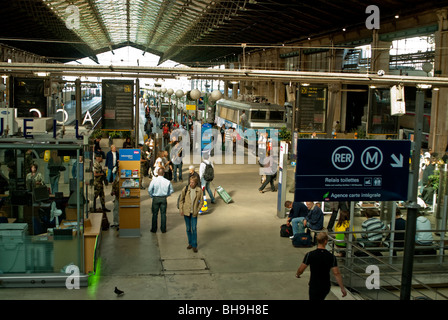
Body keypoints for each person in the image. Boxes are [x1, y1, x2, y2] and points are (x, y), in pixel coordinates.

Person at [295, 232, 347, 300]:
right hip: (325, 285)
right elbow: (336, 273)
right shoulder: (331, 257)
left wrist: (298, 274)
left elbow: (301, 269)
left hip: (314, 285)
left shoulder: (310, 255)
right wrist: (342, 288)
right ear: (326, 241)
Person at [179, 175, 204, 252]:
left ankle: (194, 245)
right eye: (190, 182)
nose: (191, 183)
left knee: (194, 228)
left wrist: (198, 209)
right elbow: (181, 200)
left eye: (193, 182)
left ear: (196, 183)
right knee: (188, 228)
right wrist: (181, 210)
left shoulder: (199, 190)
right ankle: (190, 243)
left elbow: (202, 201)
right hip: (186, 212)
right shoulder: (186, 189)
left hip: (194, 213)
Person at [148, 168, 174, 233]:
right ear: (163, 173)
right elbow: (171, 190)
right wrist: (167, 195)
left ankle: (154, 229)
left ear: (157, 173)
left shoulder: (154, 181)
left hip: (155, 198)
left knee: (154, 214)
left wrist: (152, 196)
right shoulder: (167, 181)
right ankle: (163, 229)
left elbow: (149, 190)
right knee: (163, 214)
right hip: (163, 198)